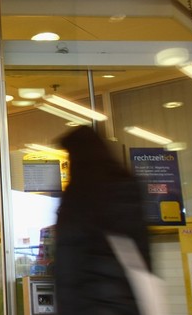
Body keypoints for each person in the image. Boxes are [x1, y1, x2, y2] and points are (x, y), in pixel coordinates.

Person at [54, 126, 150, 315]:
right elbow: (144, 253)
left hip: (89, 303)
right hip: (128, 301)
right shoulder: (129, 186)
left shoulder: (79, 196)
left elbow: (68, 265)